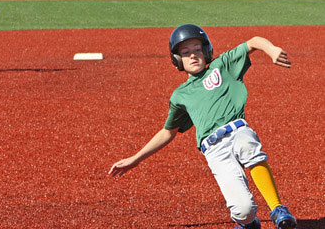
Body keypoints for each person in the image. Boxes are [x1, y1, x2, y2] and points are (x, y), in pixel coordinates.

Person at [108, 24, 297, 229]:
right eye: (185, 52)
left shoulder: (221, 66)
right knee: (243, 210)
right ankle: (248, 224)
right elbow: (167, 132)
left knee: (247, 144)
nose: (193, 56)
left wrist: (271, 50)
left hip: (237, 129)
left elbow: (253, 42)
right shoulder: (180, 95)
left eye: (197, 49)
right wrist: (136, 159)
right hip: (214, 150)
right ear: (177, 60)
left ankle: (277, 208)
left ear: (206, 52)